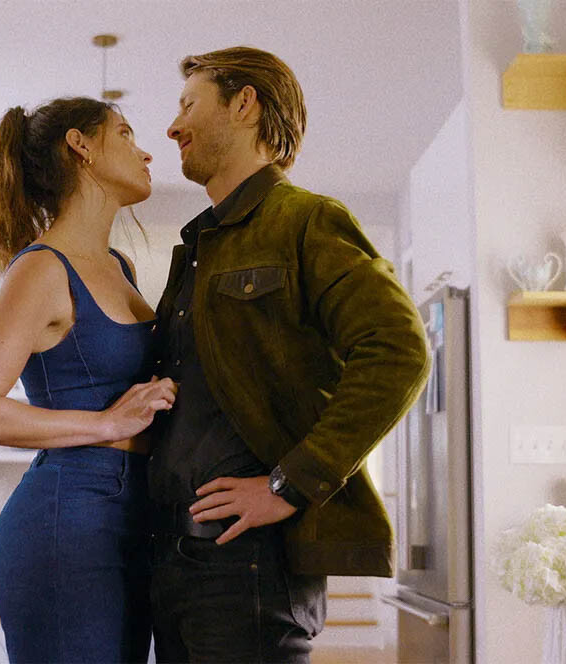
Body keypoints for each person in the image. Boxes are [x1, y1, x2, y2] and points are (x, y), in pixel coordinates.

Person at [146, 47, 432, 663]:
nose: (172, 127)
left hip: (247, 566)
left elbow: (399, 349)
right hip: (171, 564)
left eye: (189, 105)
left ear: (244, 104)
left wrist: (289, 484)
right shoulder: (197, 246)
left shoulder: (307, 221)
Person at [0, 97, 176, 663]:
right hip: (67, 521)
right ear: (82, 146)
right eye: (125, 133)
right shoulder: (42, 268)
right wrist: (106, 424)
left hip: (131, 514)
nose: (146, 152)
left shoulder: (118, 266)